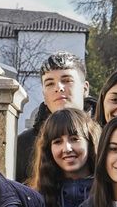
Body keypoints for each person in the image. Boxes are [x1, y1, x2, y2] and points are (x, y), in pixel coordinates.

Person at [15, 52, 93, 184]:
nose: (59, 88)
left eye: (67, 81)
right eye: (50, 84)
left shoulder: (105, 134)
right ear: (44, 94)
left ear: (85, 88)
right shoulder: (24, 144)